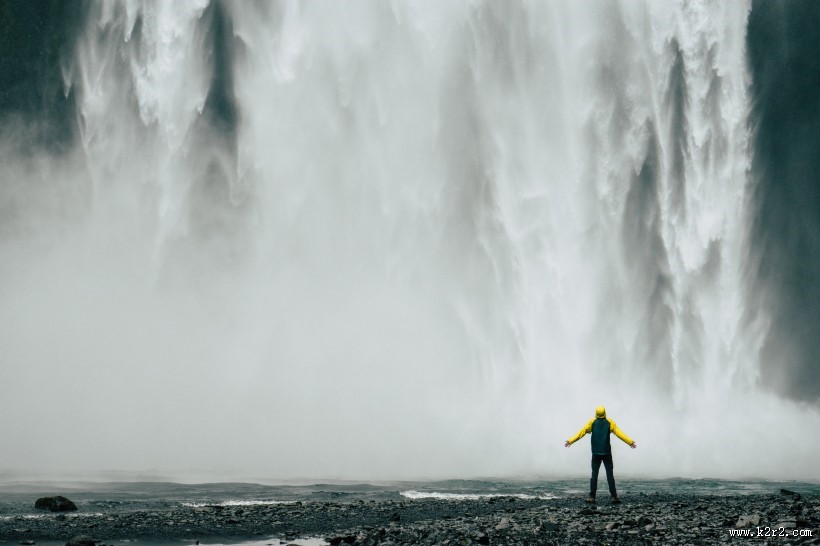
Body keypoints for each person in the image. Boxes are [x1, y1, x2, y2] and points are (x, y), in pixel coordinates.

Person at [564, 406, 636, 504]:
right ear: (605, 412)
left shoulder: (592, 422)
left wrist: (570, 441)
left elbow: (582, 432)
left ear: (596, 413)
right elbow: (619, 434)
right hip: (607, 453)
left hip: (595, 453)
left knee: (594, 475)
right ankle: (614, 496)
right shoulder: (610, 422)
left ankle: (592, 496)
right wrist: (630, 442)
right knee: (610, 475)